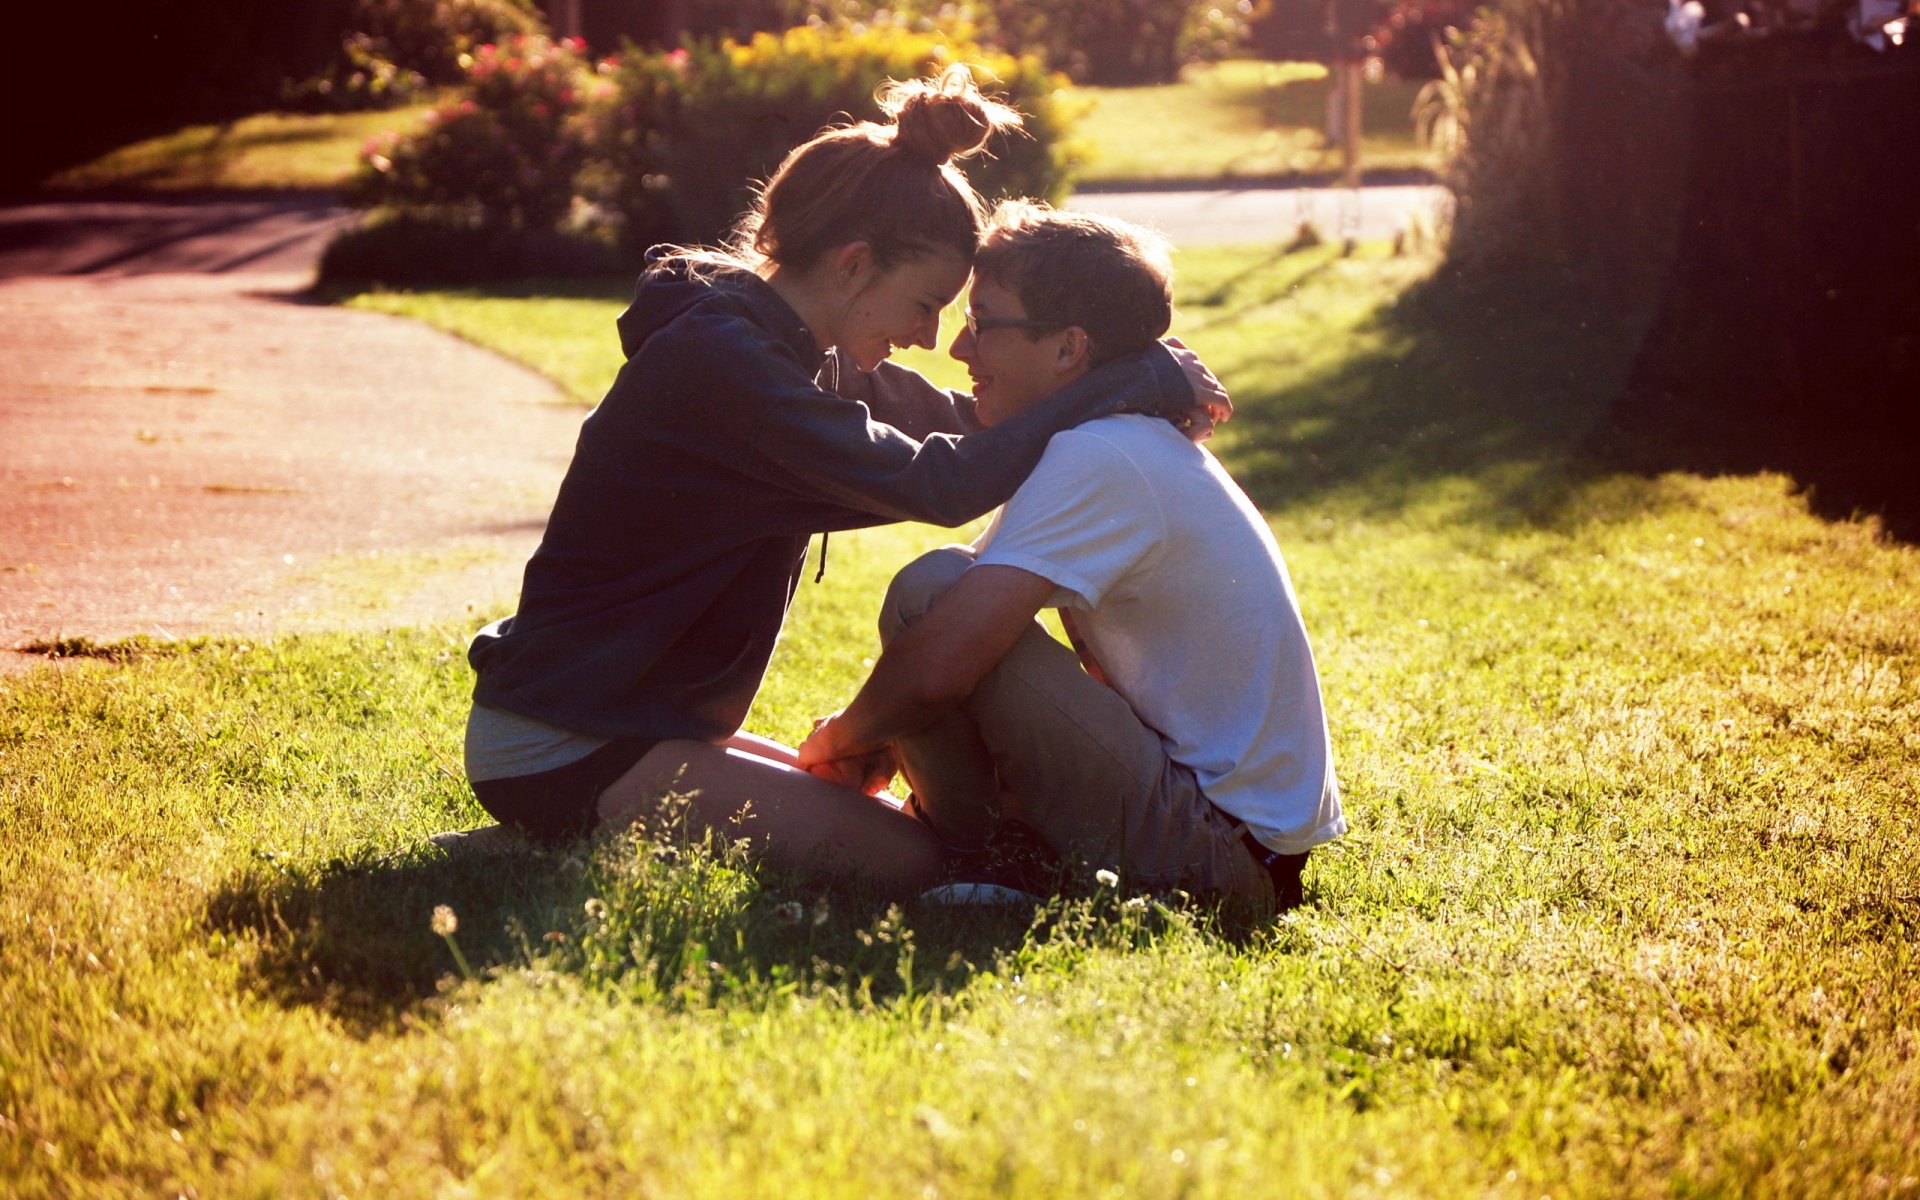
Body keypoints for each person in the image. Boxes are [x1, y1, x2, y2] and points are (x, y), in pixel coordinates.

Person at [455, 69, 1228, 895]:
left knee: (874, 819)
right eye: (926, 303)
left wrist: (1103, 374)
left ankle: (559, 826)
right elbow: (941, 482)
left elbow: (974, 429)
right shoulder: (725, 367)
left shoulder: (785, 349)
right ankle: (555, 819)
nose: (929, 337)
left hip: (629, 722)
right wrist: (1131, 379)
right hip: (563, 739)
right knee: (919, 864)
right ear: (854, 264)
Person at [797, 201, 1344, 914]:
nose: (958, 349)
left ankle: (990, 860)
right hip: (1227, 839)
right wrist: (882, 737)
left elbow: (938, 663)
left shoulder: (1103, 455)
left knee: (929, 593)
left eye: (982, 323)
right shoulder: (1106, 443)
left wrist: (842, 739)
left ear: (1067, 349)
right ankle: (995, 849)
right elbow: (957, 649)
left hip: (1223, 860)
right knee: (944, 595)